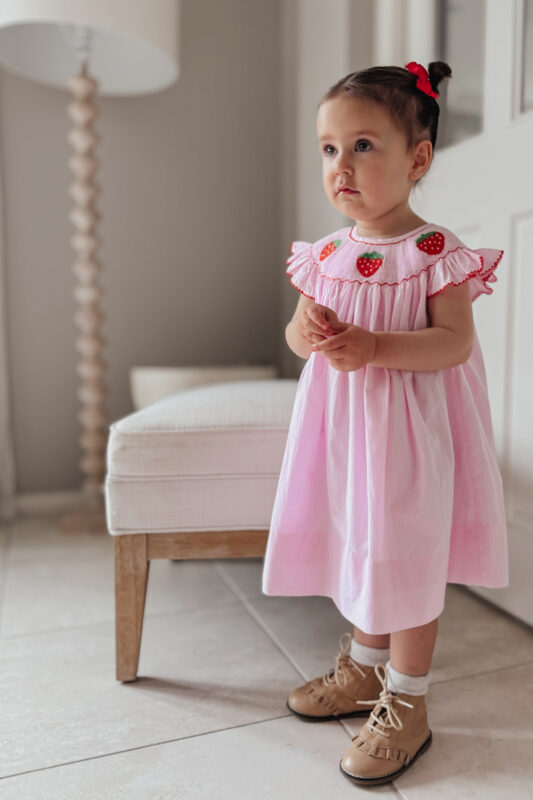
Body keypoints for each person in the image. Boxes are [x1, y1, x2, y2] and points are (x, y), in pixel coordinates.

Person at [261, 61, 509, 787]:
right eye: (329, 149)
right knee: (361, 548)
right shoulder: (327, 253)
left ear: (417, 159)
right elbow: (294, 340)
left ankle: (408, 700)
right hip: (343, 440)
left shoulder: (433, 253)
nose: (341, 165)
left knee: (404, 554)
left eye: (363, 145)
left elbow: (452, 343)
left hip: (407, 439)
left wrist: (372, 347)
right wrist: (307, 330)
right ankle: (366, 671)